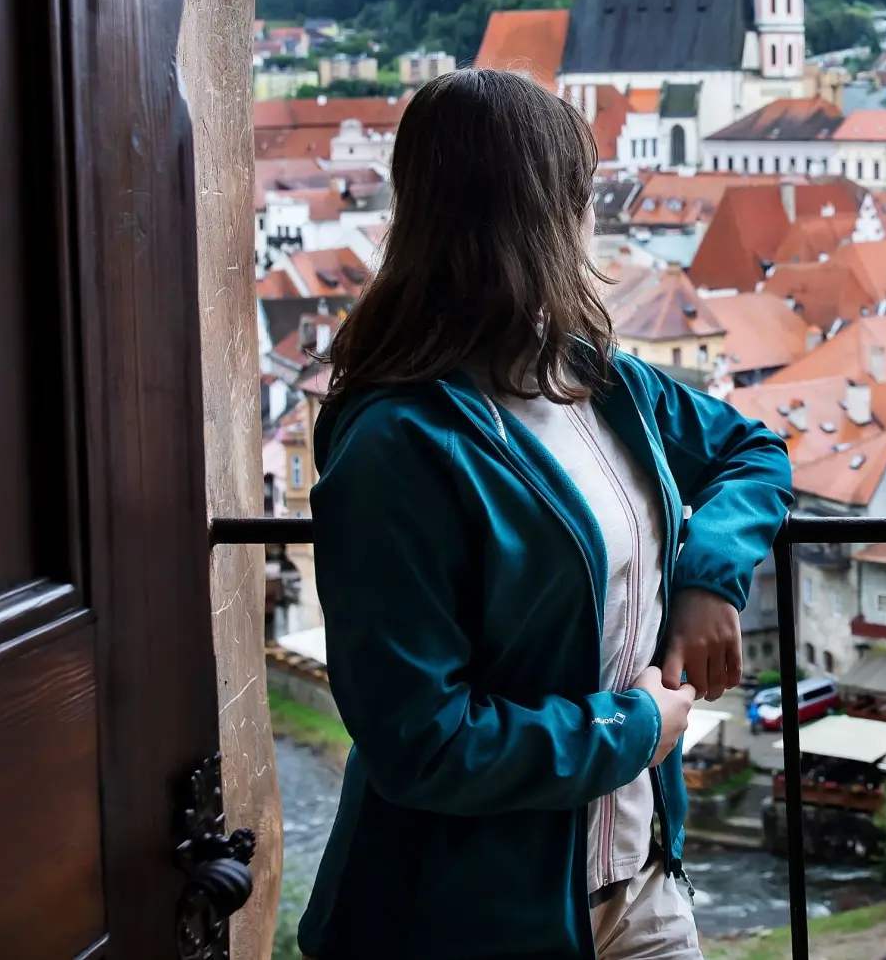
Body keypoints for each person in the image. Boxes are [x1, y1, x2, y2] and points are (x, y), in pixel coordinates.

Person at [296, 70, 791, 959]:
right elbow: (423, 742)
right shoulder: (397, 447)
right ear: (545, 216)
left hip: (639, 882)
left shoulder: (599, 381)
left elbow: (753, 451)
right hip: (470, 921)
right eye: (583, 196)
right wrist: (634, 729)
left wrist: (707, 578)